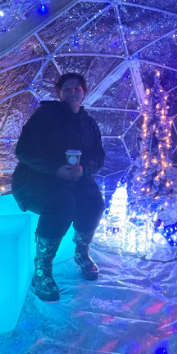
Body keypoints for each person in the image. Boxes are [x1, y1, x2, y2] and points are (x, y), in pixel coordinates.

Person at [12, 72, 105, 302]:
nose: (72, 92)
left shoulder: (89, 123)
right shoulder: (46, 115)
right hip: (36, 177)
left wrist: (83, 168)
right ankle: (42, 268)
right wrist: (56, 168)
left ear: (84, 92)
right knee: (62, 204)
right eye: (67, 88)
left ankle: (81, 253)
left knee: (94, 202)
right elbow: (24, 150)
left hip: (75, 178)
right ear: (59, 92)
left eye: (77, 88)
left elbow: (98, 156)